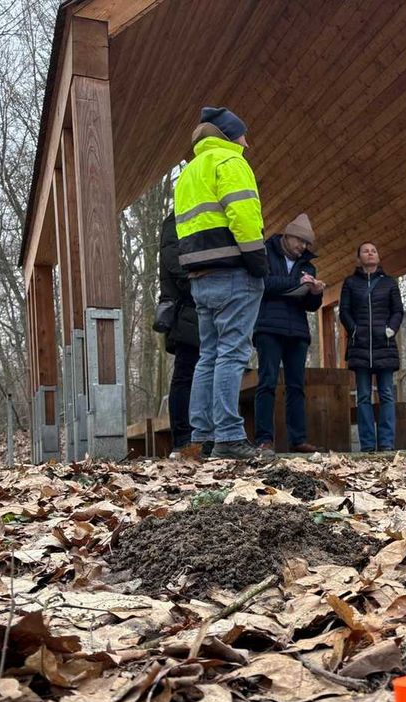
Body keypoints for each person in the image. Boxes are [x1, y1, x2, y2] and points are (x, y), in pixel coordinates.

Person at [174, 106, 266, 461]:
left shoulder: (188, 173)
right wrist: (258, 260)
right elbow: (243, 215)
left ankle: (203, 436)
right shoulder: (230, 163)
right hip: (234, 271)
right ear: (229, 136)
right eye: (243, 134)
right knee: (232, 354)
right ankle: (228, 435)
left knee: (208, 356)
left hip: (200, 276)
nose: (247, 142)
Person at [253, 213, 325, 454]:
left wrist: (314, 292)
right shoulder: (265, 253)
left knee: (296, 387)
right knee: (267, 384)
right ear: (287, 235)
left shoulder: (308, 264)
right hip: (268, 328)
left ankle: (298, 439)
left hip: (297, 332)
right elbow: (263, 285)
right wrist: (296, 284)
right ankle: (264, 439)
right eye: (300, 242)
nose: (302, 247)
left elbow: (311, 306)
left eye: (306, 244)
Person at [339, 242, 404, 452]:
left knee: (386, 393)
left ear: (378, 256)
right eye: (365, 250)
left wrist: (391, 329)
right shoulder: (349, 283)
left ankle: (386, 443)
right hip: (360, 346)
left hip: (384, 344)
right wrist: (354, 330)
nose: (370, 253)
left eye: (374, 250)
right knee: (364, 395)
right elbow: (344, 311)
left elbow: (398, 311)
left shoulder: (390, 283)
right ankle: (367, 444)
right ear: (359, 258)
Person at [154, 212, 199, 455]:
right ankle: (182, 438)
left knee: (191, 374)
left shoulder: (182, 220)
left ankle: (191, 436)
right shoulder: (176, 222)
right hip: (187, 310)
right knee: (185, 374)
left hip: (192, 309)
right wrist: (203, 281)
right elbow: (175, 264)